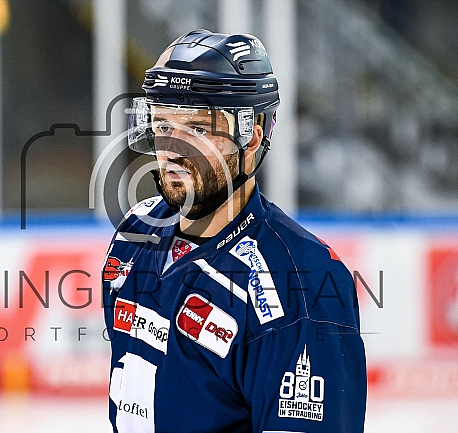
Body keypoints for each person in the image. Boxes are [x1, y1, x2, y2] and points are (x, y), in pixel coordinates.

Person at [103, 29, 367, 433]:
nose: (173, 149)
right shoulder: (135, 236)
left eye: (197, 129)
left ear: (251, 138)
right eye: (162, 123)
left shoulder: (303, 282)